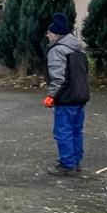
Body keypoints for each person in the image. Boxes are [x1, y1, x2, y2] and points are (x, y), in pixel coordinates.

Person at [43, 11, 90, 176]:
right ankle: (75, 162)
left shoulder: (57, 51)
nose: (47, 35)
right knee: (77, 130)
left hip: (66, 98)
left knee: (63, 131)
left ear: (55, 34)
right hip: (80, 97)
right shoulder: (78, 49)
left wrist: (51, 96)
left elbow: (58, 77)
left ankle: (67, 164)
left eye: (49, 32)